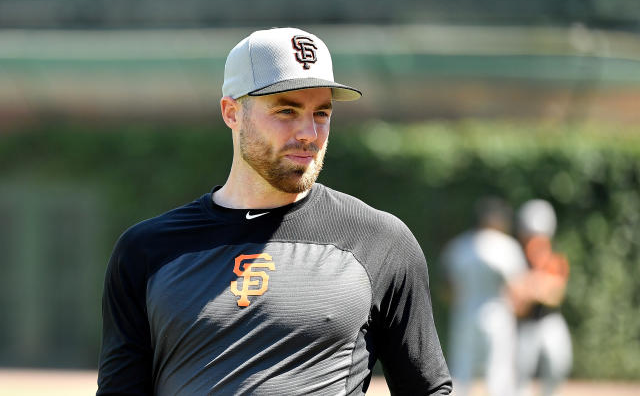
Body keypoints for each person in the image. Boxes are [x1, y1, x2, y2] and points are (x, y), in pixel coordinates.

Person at [97, 27, 452, 395]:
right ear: (232, 112)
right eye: (287, 110)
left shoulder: (380, 241)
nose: (309, 133)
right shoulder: (147, 251)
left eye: (322, 113)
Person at [441, 197, 528, 396]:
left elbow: (448, 287)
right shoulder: (507, 247)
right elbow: (517, 288)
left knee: (461, 373)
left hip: (465, 313)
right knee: (499, 374)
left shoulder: (460, 246)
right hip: (498, 314)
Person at [511, 199, 572, 396]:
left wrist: (531, 287)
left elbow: (556, 295)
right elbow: (518, 305)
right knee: (520, 375)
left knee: (558, 365)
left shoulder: (555, 260)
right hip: (525, 325)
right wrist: (538, 287)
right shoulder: (515, 259)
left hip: (549, 321)